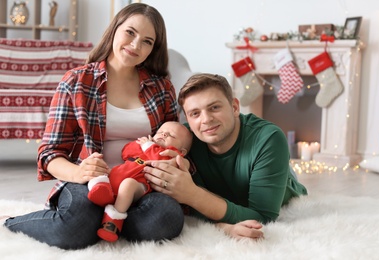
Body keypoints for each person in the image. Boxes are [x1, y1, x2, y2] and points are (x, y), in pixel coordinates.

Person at [3, 3, 185, 249]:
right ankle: (14, 224)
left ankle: (105, 220)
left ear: (153, 49)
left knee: (167, 219)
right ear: (115, 29)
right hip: (88, 183)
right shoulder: (76, 81)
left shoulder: (161, 88)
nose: (135, 45)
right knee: (76, 222)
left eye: (147, 41)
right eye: (130, 32)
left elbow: (175, 141)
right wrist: (78, 173)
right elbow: (49, 154)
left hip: (140, 187)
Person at [143, 73, 308, 240]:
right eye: (195, 114)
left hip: (278, 190)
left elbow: (263, 217)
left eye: (214, 107)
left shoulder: (269, 138)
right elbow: (189, 206)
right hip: (229, 194)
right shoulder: (186, 141)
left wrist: (191, 194)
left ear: (235, 107)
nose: (206, 120)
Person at [88, 121, 192, 242]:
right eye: (161, 132)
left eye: (171, 135)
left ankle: (113, 222)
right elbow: (125, 152)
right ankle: (104, 195)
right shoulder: (144, 146)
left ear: (182, 151)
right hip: (118, 174)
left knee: (128, 184)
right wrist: (140, 144)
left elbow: (158, 158)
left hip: (140, 184)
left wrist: (149, 146)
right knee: (99, 170)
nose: (164, 135)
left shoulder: (172, 156)